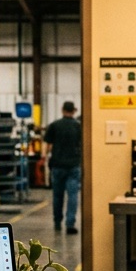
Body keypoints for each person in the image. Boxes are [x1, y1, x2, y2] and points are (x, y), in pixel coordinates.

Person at [45, 100, 82, 234]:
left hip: (58, 165)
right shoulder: (78, 126)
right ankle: (70, 223)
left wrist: (46, 159)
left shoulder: (54, 125)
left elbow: (48, 146)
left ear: (62, 110)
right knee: (73, 196)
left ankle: (57, 221)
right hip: (73, 165)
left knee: (57, 196)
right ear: (73, 111)